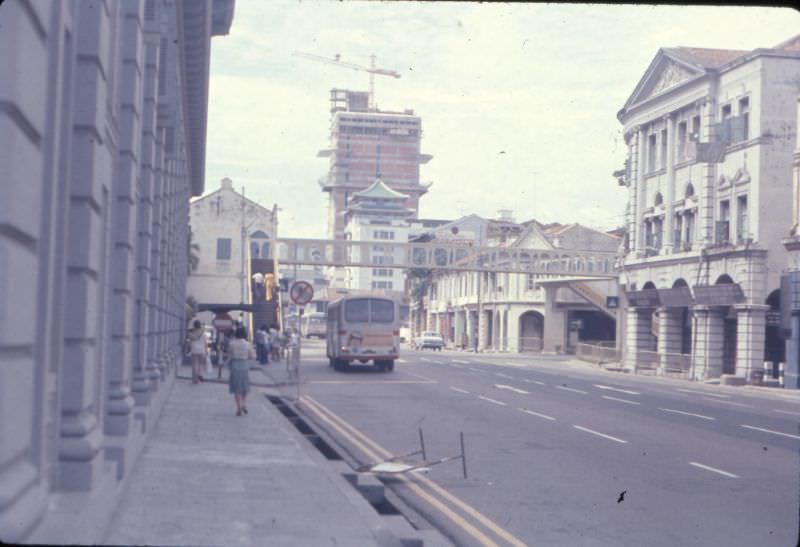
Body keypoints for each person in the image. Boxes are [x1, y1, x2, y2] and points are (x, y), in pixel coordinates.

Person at [226, 326, 256, 416]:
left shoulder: (232, 344)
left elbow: (229, 356)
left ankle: (239, 407)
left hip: (235, 365)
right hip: (244, 365)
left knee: (236, 388)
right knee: (244, 386)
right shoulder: (247, 344)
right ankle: (244, 403)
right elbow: (252, 356)